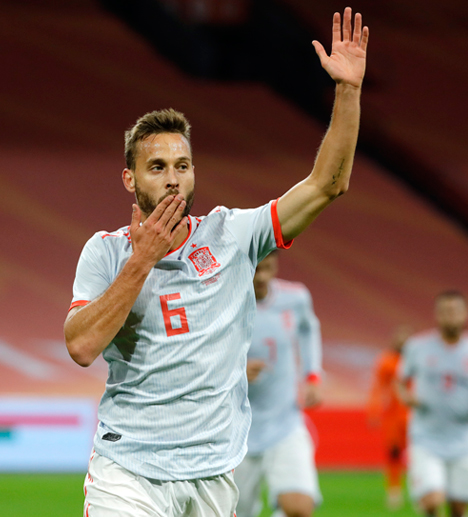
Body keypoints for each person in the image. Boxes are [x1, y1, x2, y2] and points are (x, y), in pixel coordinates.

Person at [64, 8, 369, 515]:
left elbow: (326, 184)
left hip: (212, 472)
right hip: (129, 471)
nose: (172, 178)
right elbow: (81, 345)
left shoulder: (232, 234)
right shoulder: (105, 250)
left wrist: (348, 92)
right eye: (157, 167)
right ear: (129, 179)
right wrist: (141, 262)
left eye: (182, 166)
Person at [396, 291, 468, 517]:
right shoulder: (418, 347)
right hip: (426, 436)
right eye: (446, 312)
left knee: (459, 508)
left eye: (455, 311)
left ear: (466, 314)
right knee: (432, 500)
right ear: (437, 316)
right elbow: (399, 381)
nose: (451, 317)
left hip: (463, 439)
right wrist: (405, 396)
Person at [235, 251, 323, 517]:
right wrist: (236, 370)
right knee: (233, 512)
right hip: (236, 429)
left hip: (284, 421)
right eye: (255, 269)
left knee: (299, 509)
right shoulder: (224, 301)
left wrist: (312, 376)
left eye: (267, 268)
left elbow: (309, 329)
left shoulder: (294, 298)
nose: (260, 276)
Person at [367, 325, 412, 510]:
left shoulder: (417, 361)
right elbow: (378, 387)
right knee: (394, 453)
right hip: (394, 415)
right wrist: (374, 410)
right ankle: (394, 492)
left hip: (416, 415)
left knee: (420, 452)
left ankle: (423, 488)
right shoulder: (387, 361)